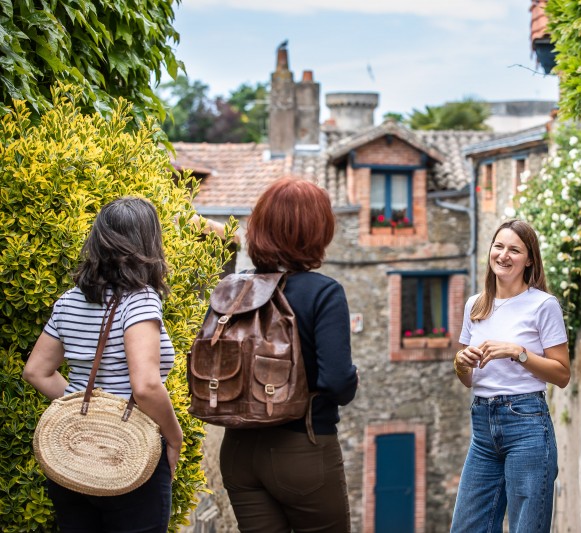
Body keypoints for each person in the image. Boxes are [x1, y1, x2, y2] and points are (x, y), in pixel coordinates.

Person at [23, 197, 183, 533]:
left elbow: (36, 371)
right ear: (149, 242)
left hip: (72, 452)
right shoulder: (139, 300)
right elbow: (146, 386)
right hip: (129, 453)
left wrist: (87, 404)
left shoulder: (69, 300)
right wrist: (174, 435)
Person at [219, 177, 359, 533]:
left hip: (238, 450)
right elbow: (337, 383)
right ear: (317, 231)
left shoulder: (234, 290)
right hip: (302, 448)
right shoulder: (324, 293)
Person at [450, 219, 571, 533]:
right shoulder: (475, 305)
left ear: (529, 259)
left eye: (514, 250)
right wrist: (461, 361)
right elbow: (467, 378)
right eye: (499, 246)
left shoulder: (544, 305)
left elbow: (562, 374)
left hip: (527, 426)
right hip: (482, 428)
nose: (503, 255)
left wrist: (518, 352)